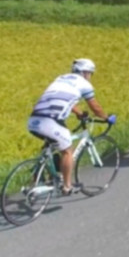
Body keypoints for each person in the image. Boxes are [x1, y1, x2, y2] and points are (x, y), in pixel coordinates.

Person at [27, 58, 113, 196]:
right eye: (90, 73)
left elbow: (65, 99)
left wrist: (79, 113)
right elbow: (95, 108)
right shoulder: (84, 84)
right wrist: (107, 118)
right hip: (51, 121)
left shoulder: (60, 79)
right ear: (85, 73)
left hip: (33, 120)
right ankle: (67, 187)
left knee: (51, 145)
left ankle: (39, 177)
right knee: (67, 151)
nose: (90, 77)